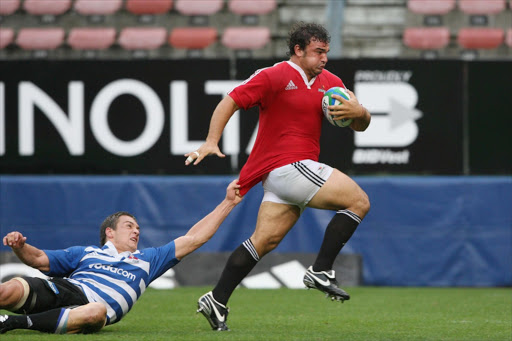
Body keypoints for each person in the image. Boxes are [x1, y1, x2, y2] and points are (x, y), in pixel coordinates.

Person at [184, 22, 371, 331]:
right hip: (286, 165)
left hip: (288, 175)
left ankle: (216, 300)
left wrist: (361, 113)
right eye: (318, 52)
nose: (324, 59)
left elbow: (359, 125)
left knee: (263, 241)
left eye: (326, 52)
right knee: (358, 201)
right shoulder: (274, 75)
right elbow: (229, 100)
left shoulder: (333, 83)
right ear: (298, 51)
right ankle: (321, 270)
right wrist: (211, 140)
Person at [0, 180, 243, 334]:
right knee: (9, 290)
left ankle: (11, 324)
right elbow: (39, 259)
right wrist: (20, 246)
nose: (136, 230)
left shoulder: (149, 260)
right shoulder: (86, 253)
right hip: (63, 289)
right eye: (129, 226)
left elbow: (194, 239)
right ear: (110, 232)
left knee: (96, 311)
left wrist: (228, 203)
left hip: (90, 310)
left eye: (138, 227)